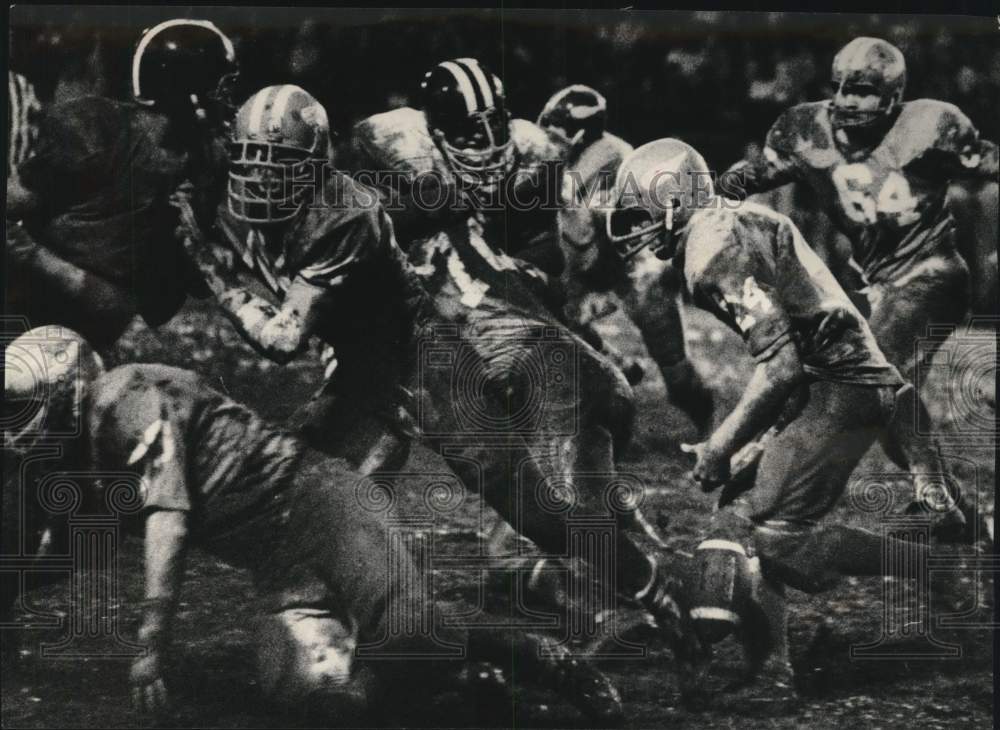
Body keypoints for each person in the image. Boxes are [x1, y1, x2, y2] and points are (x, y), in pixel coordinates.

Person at [176, 84, 706, 697]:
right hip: (363, 376)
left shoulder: (347, 212)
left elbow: (282, 339)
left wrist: (212, 267)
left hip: (430, 367)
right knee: (299, 494)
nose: (262, 182)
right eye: (252, 163)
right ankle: (383, 648)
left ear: (318, 167)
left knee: (544, 515)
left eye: (282, 168)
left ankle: (657, 595)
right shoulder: (265, 189)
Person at [2, 327, 624, 725]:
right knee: (326, 708)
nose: (15, 422)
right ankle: (456, 683)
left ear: (67, 387)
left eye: (22, 402)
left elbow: (169, 519)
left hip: (323, 505)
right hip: (277, 564)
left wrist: (150, 645)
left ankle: (549, 659)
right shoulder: (82, 447)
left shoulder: (124, 395)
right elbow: (69, 548)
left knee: (408, 629)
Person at [605, 137, 954, 697]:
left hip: (840, 388)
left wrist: (720, 443)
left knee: (775, 539)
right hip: (842, 382)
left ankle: (936, 569)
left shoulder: (709, 252)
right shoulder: (740, 218)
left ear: (673, 202)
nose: (634, 228)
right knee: (741, 509)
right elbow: (804, 336)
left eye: (641, 212)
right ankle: (770, 668)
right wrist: (758, 439)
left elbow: (784, 364)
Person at [724, 37, 998, 537]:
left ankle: (931, 496)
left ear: (893, 96)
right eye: (842, 88)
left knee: (873, 373)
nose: (849, 101)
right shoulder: (806, 130)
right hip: (876, 282)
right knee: (892, 416)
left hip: (934, 272)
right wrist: (718, 188)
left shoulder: (931, 124)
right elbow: (756, 174)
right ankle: (969, 524)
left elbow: (988, 163)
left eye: (865, 91)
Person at [5, 19, 238, 348]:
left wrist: (197, 253)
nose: (227, 99)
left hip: (92, 335)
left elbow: (175, 288)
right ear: (184, 85)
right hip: (26, 312)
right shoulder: (96, 135)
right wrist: (76, 281)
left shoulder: (203, 161)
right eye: (220, 86)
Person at [538, 83, 714, 433]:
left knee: (677, 376)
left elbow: (593, 234)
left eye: (558, 129)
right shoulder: (543, 157)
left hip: (631, 265)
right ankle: (614, 364)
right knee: (547, 313)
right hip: (581, 264)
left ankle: (713, 430)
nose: (549, 138)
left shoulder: (615, 159)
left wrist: (566, 202)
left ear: (582, 134)